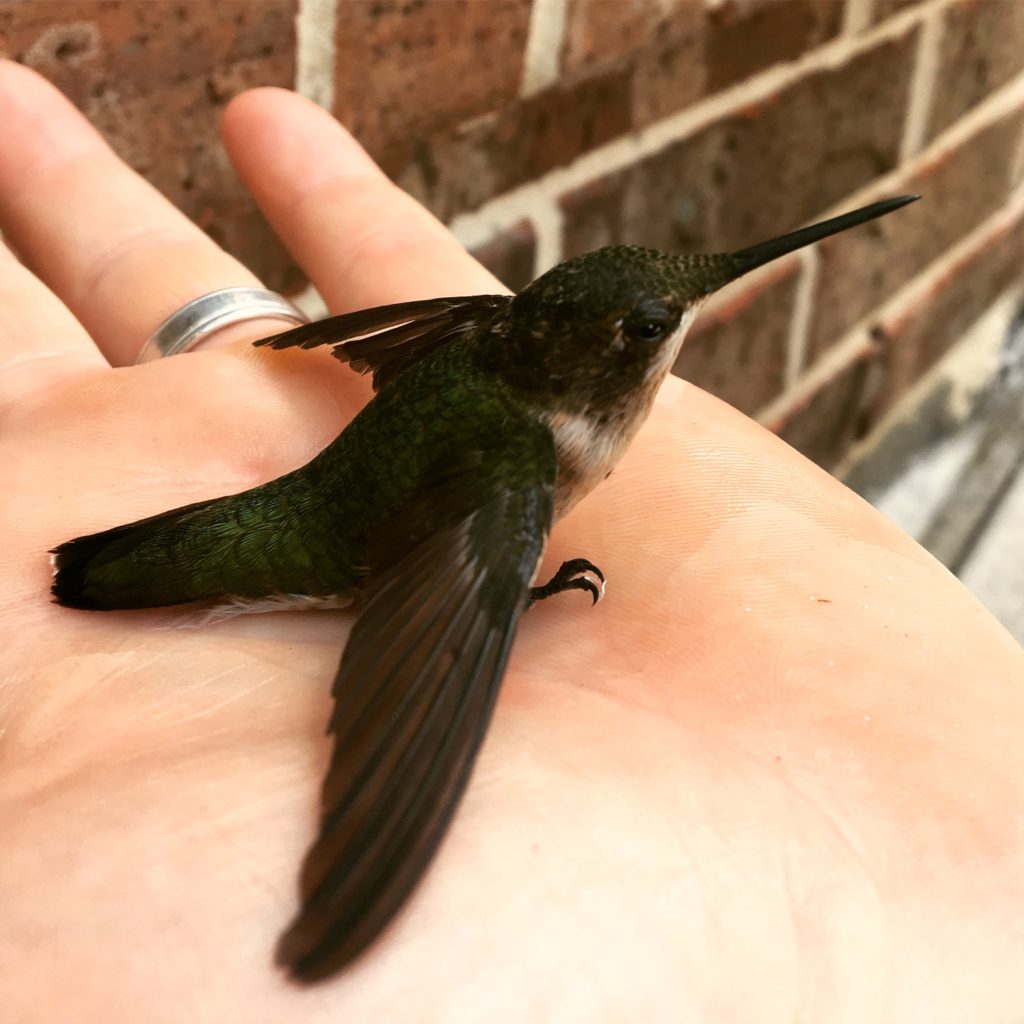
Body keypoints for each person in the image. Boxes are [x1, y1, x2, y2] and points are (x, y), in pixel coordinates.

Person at [1, 59, 1022, 1019]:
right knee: (430, 586)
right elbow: (448, 632)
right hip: (320, 535)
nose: (674, 321)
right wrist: (470, 633)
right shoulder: (519, 465)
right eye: (658, 322)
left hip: (326, 497)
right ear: (610, 363)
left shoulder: (490, 330)